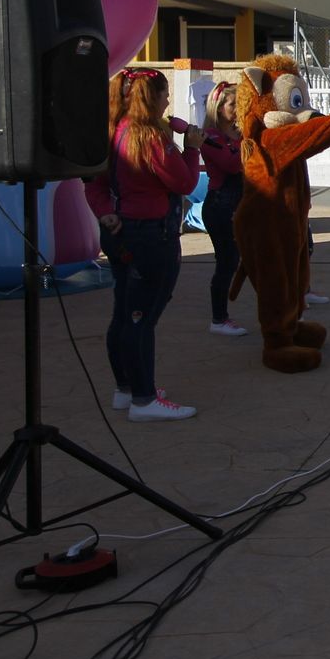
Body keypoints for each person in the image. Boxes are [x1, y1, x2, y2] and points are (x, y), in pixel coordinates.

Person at [85, 68, 202, 422]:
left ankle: (127, 388)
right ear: (150, 97)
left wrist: (105, 213)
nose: (169, 100)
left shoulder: (112, 131)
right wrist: (191, 149)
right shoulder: (148, 137)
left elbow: (93, 183)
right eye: (165, 94)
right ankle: (144, 399)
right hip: (151, 237)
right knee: (141, 317)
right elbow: (183, 182)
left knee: (124, 311)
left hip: (121, 233)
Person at [199, 81, 246, 338]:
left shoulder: (239, 135)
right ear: (218, 108)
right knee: (227, 262)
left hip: (238, 205)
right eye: (232, 104)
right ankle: (218, 318)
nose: (238, 109)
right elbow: (231, 164)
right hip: (220, 207)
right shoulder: (210, 137)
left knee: (238, 260)